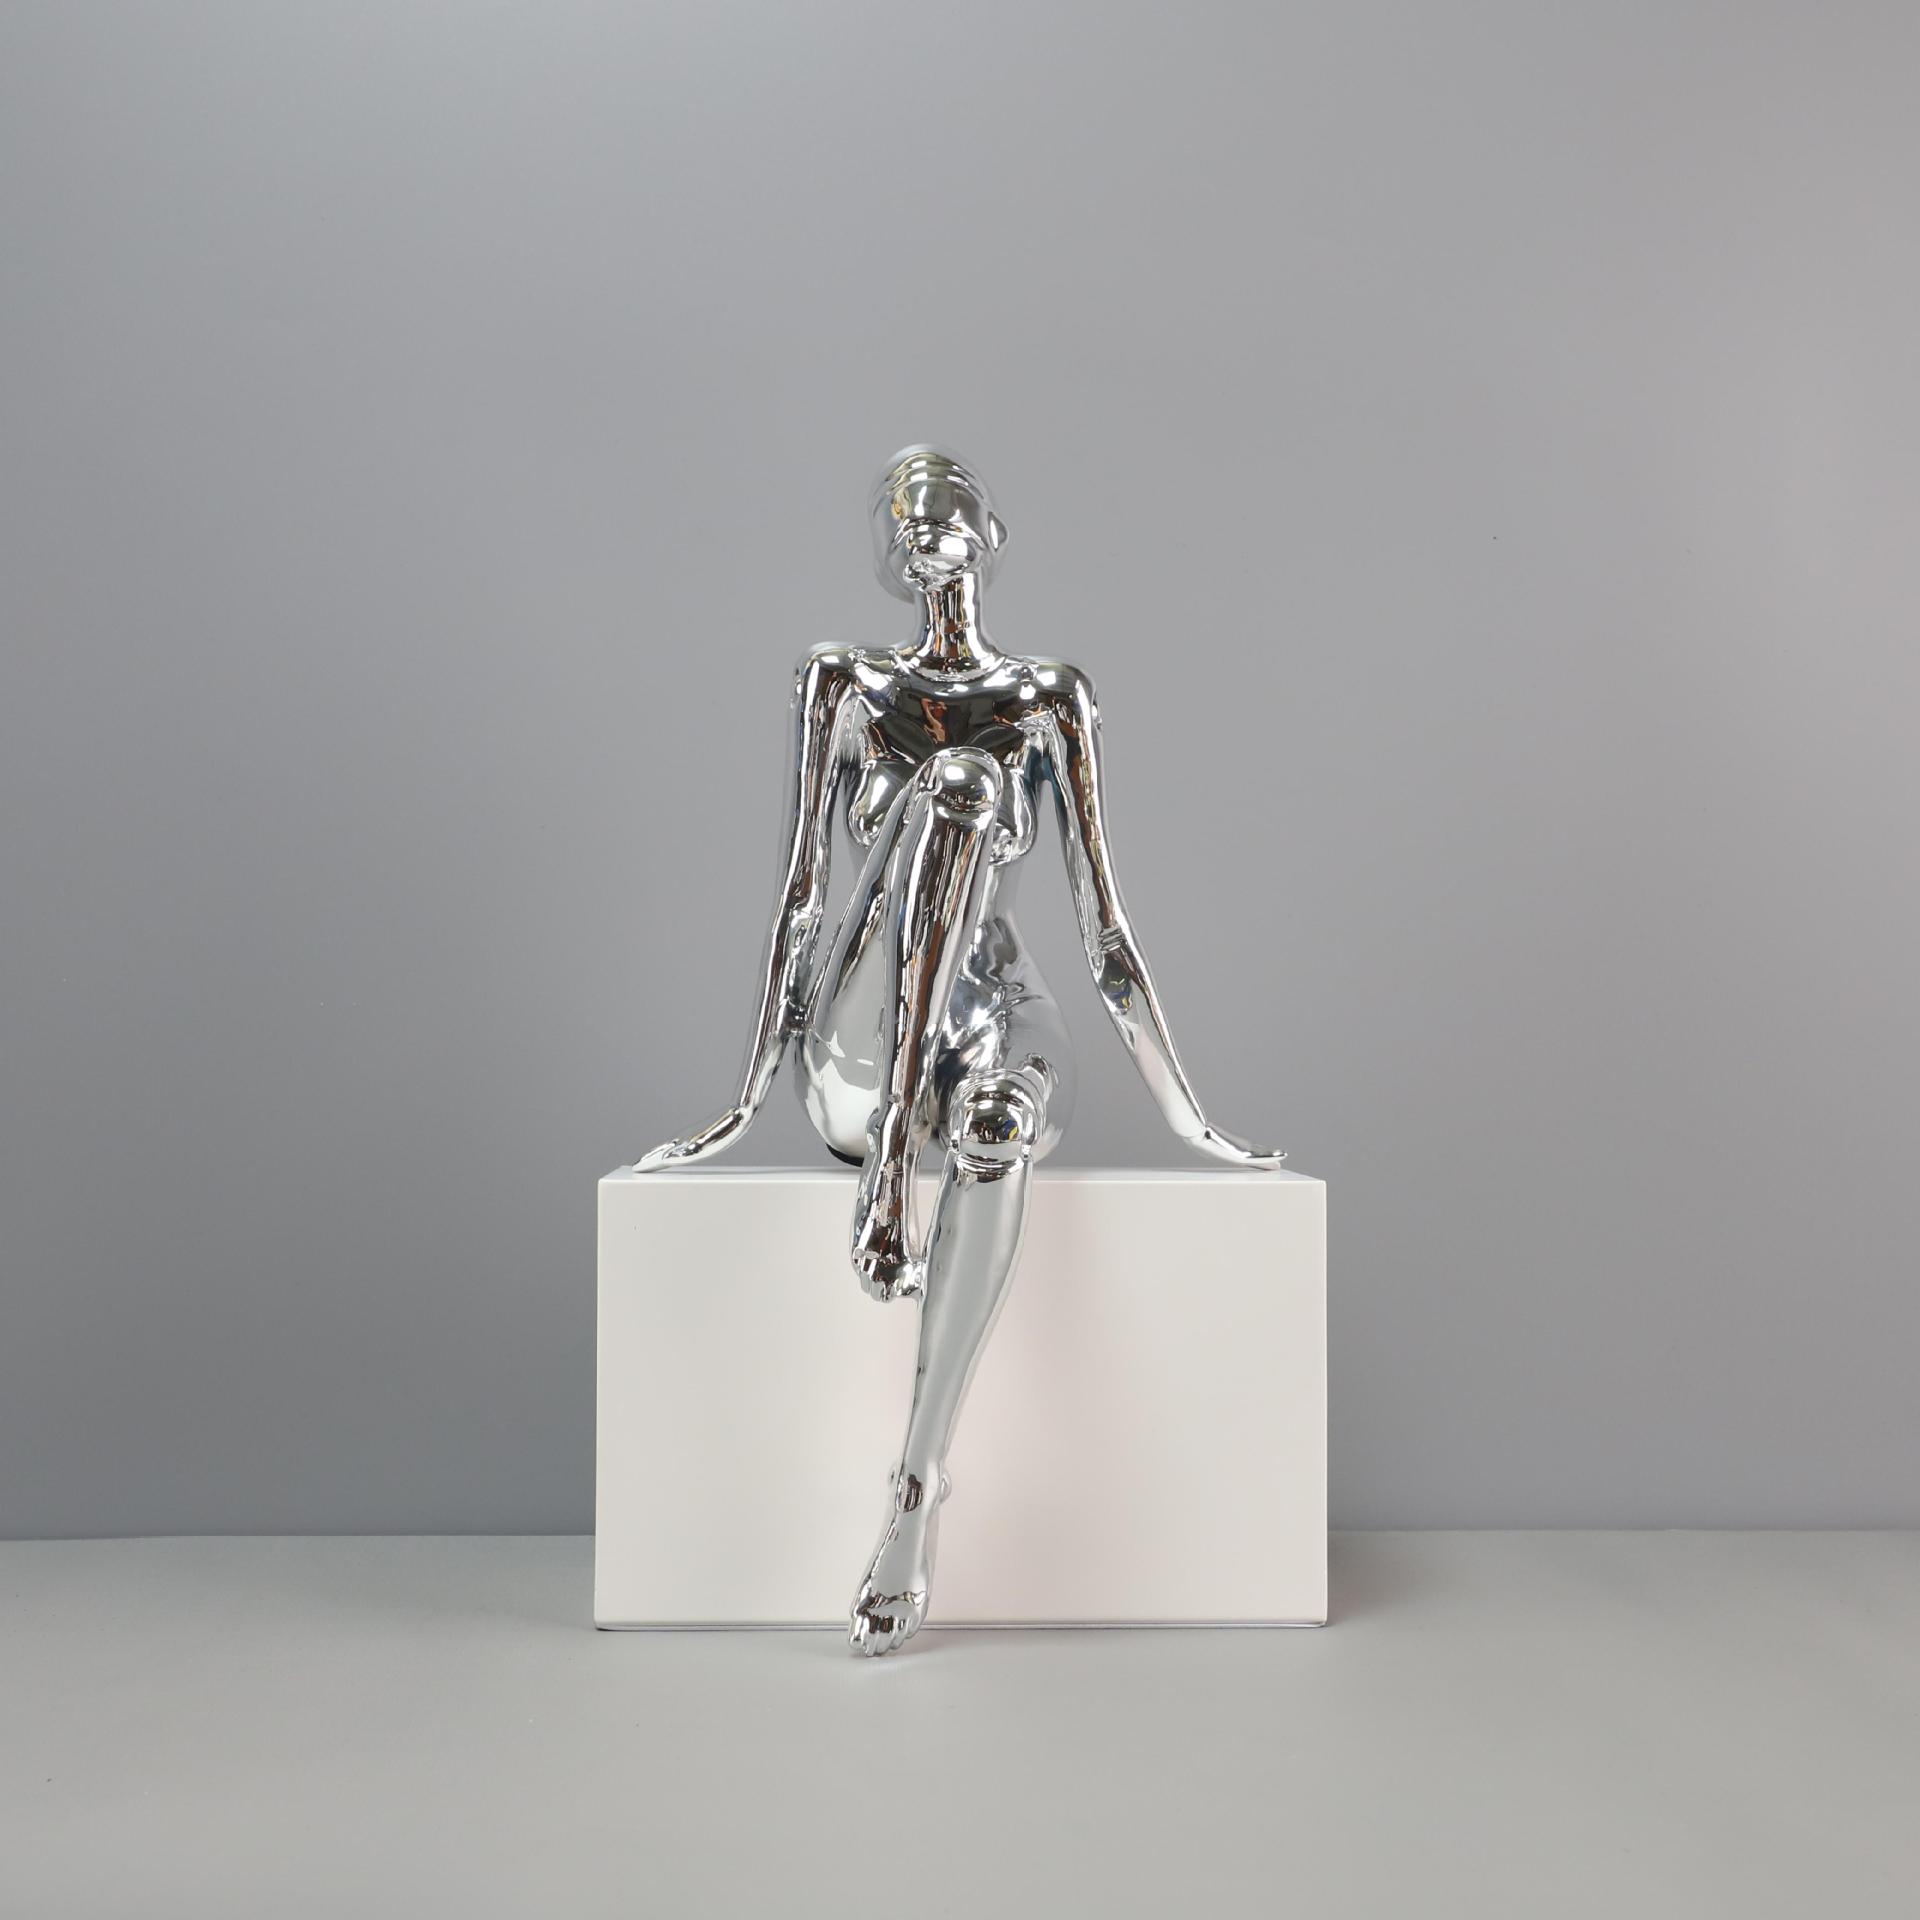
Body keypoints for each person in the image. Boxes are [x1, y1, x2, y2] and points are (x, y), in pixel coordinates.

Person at [638, 445, 1284, 1653]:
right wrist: (740, 1103)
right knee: (957, 788)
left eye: (944, 504)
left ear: (992, 533)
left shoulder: (1047, 697)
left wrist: (1193, 1119)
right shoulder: (844, 685)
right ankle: (896, 1145)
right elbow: (802, 900)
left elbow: (1103, 929)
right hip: (861, 1048)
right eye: (902, 514)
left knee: (997, 1125)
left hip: (994, 1017)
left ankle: (915, 1487)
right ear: (890, 555)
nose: (922, 523)